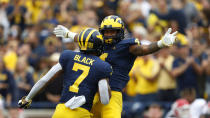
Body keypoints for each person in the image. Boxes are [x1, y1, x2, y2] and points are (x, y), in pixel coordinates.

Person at [53, 15, 178, 118]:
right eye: (106, 31)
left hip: (112, 93)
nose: (109, 35)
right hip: (92, 93)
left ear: (120, 32)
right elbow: (84, 38)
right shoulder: (98, 42)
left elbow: (143, 49)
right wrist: (69, 34)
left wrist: (161, 43)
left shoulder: (127, 46)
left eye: (112, 31)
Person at [18, 28, 113, 118]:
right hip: (81, 113)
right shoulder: (102, 66)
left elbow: (45, 79)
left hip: (61, 111)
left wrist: (27, 98)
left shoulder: (68, 56)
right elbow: (105, 100)